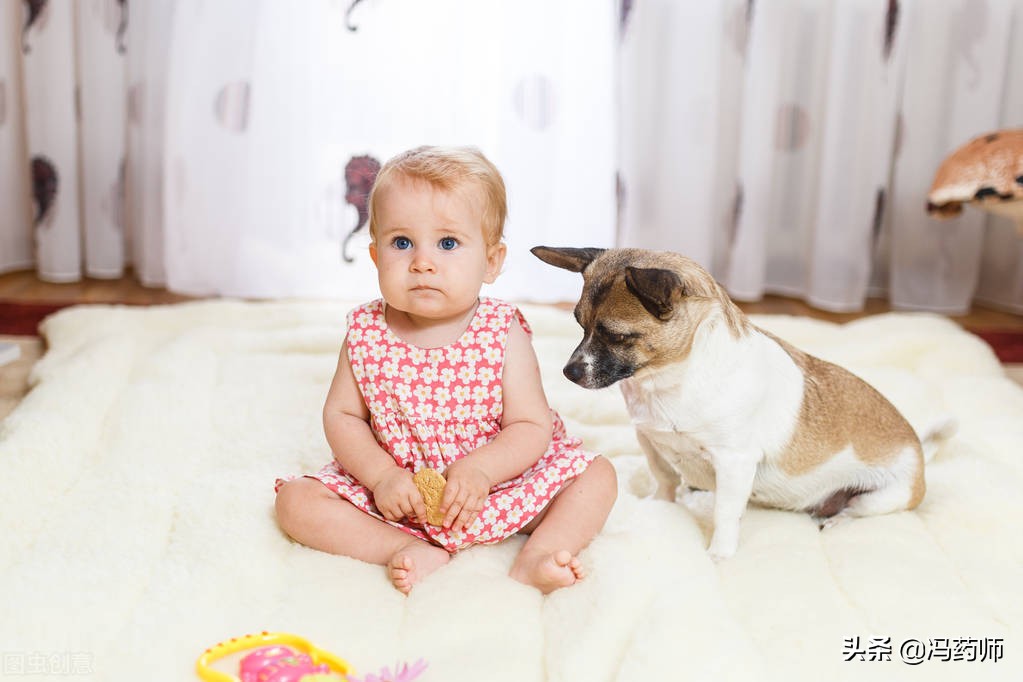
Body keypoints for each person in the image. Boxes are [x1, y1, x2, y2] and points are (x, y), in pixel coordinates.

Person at [275, 145, 617, 595]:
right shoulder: (365, 331)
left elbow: (530, 425)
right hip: (399, 493)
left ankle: (537, 556)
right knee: (295, 502)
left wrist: (481, 472)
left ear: (491, 262)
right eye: (402, 243)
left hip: (495, 487)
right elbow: (343, 417)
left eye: (448, 243)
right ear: (376, 257)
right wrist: (381, 477)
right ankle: (402, 547)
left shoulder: (501, 330)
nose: (422, 262)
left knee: (597, 477)